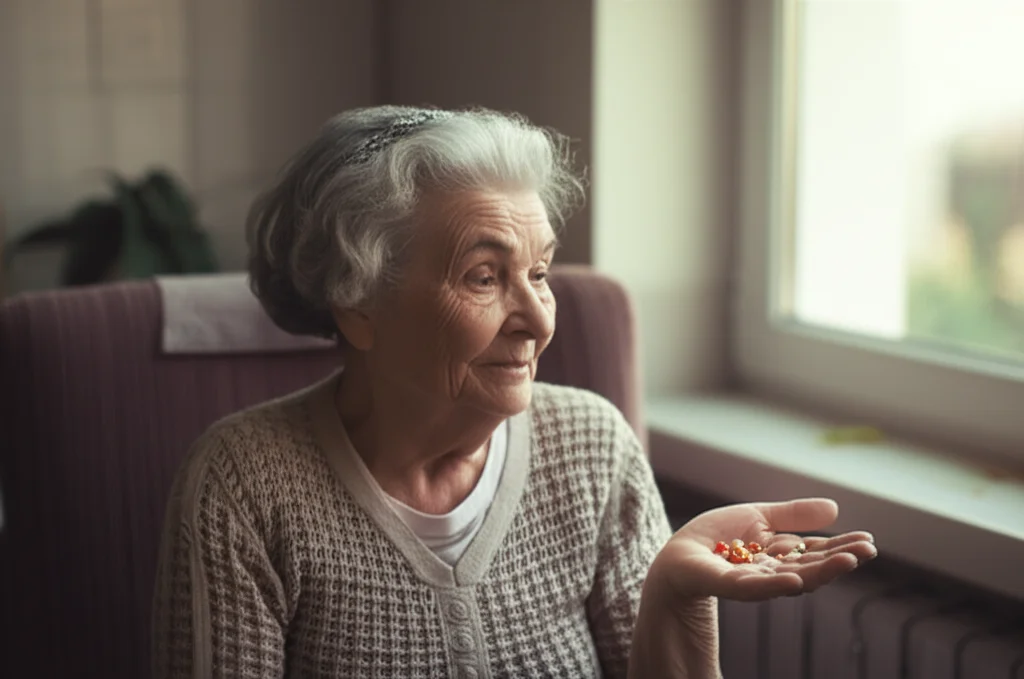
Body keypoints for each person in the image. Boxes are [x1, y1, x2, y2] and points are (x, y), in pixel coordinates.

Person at [151, 105, 877, 678]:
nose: (537, 319)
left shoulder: (592, 446)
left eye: (539, 273)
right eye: (484, 276)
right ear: (358, 303)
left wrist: (674, 598)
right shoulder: (245, 483)